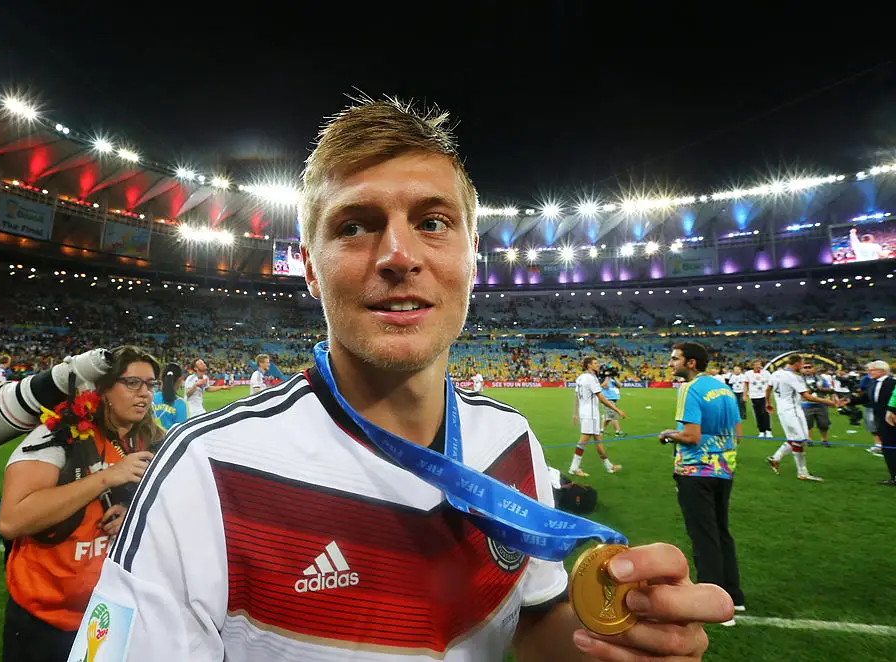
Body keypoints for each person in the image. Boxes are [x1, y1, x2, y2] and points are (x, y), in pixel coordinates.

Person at [72, 98, 730, 662]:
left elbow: (533, 623)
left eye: (433, 222)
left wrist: (619, 644)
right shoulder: (204, 472)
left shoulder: (511, 440)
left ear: (473, 258)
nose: (398, 256)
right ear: (308, 268)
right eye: (355, 226)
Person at [0, 346, 162, 662]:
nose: (145, 394)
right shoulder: (55, 435)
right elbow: (12, 519)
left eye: (150, 385)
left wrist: (134, 517)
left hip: (113, 610)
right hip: (45, 616)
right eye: (132, 383)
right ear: (102, 389)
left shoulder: (152, 438)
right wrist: (106, 477)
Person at [659, 342, 745, 623]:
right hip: (725, 469)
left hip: (696, 471)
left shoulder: (689, 389)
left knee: (703, 536)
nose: (671, 363)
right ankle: (734, 596)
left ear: (691, 363)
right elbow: (738, 434)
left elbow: (692, 436)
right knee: (722, 532)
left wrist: (669, 434)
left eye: (675, 359)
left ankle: (713, 605)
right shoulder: (725, 389)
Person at [764, 354, 843, 482]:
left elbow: (768, 389)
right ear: (797, 363)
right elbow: (807, 396)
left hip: (783, 410)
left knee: (797, 438)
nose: (803, 366)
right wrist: (828, 402)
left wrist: (768, 402)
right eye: (802, 364)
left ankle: (775, 458)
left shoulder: (776, 374)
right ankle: (802, 472)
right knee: (800, 439)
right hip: (793, 410)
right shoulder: (794, 377)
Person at [568, 356, 626, 477]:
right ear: (589, 365)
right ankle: (574, 467)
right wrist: (617, 409)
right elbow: (601, 397)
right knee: (584, 440)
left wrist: (575, 413)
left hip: (584, 412)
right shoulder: (591, 378)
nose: (598, 365)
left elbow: (577, 396)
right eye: (595, 363)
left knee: (598, 440)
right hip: (591, 413)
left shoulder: (580, 377)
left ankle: (609, 466)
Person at [849, 361, 894, 484]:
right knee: (887, 449)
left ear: (882, 371)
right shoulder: (873, 384)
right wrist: (848, 401)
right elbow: (866, 398)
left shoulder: (892, 383)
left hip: (892, 421)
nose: (869, 372)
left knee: (890, 448)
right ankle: (894, 476)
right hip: (881, 421)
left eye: (872, 370)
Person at [800, 362, 833, 447]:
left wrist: (820, 388)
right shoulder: (799, 379)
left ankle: (824, 439)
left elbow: (829, 389)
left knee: (824, 423)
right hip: (806, 404)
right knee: (808, 423)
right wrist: (810, 390)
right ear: (801, 369)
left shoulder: (820, 378)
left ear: (813, 368)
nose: (807, 369)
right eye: (805, 367)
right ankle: (809, 439)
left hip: (820, 404)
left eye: (809, 367)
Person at [152, 362, 188, 432]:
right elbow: (181, 433)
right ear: (180, 380)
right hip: (169, 442)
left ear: (161, 378)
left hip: (148, 441)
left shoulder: (150, 398)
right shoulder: (181, 404)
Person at [743, 360, 771, 438]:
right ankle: (761, 431)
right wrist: (745, 395)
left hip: (764, 396)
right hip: (754, 396)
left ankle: (768, 430)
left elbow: (770, 383)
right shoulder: (748, 374)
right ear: (752, 365)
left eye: (759, 364)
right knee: (757, 414)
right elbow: (746, 385)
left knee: (765, 413)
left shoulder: (766, 373)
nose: (758, 366)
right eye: (756, 364)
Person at [600, 369, 627, 438]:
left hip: (613, 400)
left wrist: (614, 377)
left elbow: (620, 385)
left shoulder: (612, 379)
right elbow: (604, 386)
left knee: (608, 416)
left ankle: (602, 430)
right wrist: (607, 377)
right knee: (613, 416)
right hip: (607, 400)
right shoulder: (602, 378)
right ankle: (618, 432)